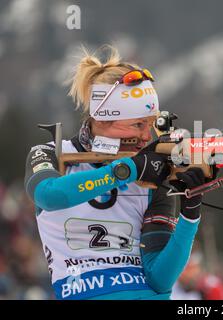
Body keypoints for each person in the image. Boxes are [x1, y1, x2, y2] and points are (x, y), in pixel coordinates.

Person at [23, 45, 205, 300]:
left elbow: (160, 279)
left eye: (151, 124)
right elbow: (50, 196)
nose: (146, 136)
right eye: (138, 124)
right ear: (102, 120)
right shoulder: (51, 152)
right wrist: (126, 170)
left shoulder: (153, 174)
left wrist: (190, 216)